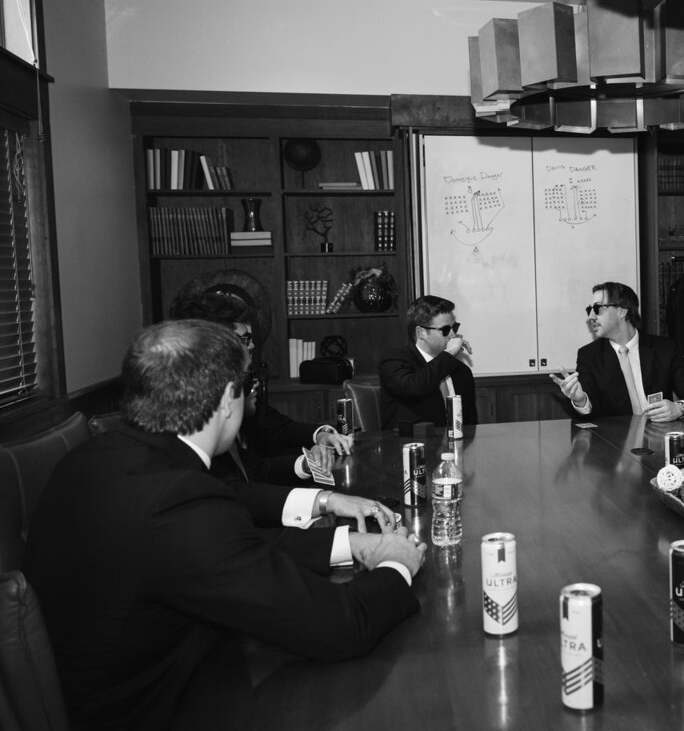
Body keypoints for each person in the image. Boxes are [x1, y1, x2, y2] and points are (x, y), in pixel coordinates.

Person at [24, 320, 426, 731]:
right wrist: (396, 563)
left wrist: (350, 542)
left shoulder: (97, 457)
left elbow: (226, 552)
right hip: (161, 709)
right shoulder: (176, 499)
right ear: (226, 400)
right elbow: (341, 627)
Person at [171, 290, 353, 487]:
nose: (252, 346)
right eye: (245, 339)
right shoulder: (196, 432)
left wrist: (318, 443)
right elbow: (243, 490)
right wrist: (323, 501)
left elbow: (264, 453)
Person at [552, 281, 684, 421]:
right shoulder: (589, 356)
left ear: (622, 312)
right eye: (589, 310)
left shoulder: (665, 349)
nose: (591, 316)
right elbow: (592, 415)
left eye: (597, 309)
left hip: (659, 440)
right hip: (616, 443)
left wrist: (679, 408)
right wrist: (581, 401)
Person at [379, 294, 478, 429]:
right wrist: (448, 354)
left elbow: (470, 425)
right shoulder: (394, 360)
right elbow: (414, 388)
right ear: (421, 333)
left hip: (455, 447)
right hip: (409, 446)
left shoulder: (462, 371)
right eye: (445, 330)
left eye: (454, 327)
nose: (453, 335)